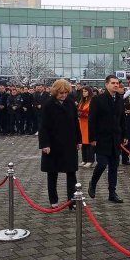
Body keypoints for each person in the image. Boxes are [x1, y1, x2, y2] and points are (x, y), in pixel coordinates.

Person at [39, 79, 82, 209]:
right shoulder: (48, 104)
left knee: (71, 173)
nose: (63, 95)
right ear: (55, 92)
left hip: (69, 143)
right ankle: (53, 200)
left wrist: (78, 140)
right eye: (61, 93)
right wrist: (45, 144)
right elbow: (43, 126)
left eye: (65, 93)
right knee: (52, 173)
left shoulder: (70, 103)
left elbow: (76, 122)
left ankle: (72, 200)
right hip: (53, 144)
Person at [87, 75, 127, 203]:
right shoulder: (97, 100)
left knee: (114, 167)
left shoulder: (120, 99)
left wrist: (125, 135)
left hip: (116, 138)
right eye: (113, 83)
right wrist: (92, 138)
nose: (116, 85)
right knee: (102, 164)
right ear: (106, 85)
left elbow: (122, 119)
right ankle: (93, 182)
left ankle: (112, 192)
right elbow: (92, 120)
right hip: (102, 138)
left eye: (117, 83)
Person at [78, 86, 95, 167]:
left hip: (89, 124)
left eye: (85, 91)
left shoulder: (92, 101)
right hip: (82, 123)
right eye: (83, 91)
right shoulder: (82, 101)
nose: (83, 93)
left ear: (89, 92)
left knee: (88, 142)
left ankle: (90, 160)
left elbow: (93, 113)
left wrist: (84, 114)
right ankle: (84, 159)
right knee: (83, 142)